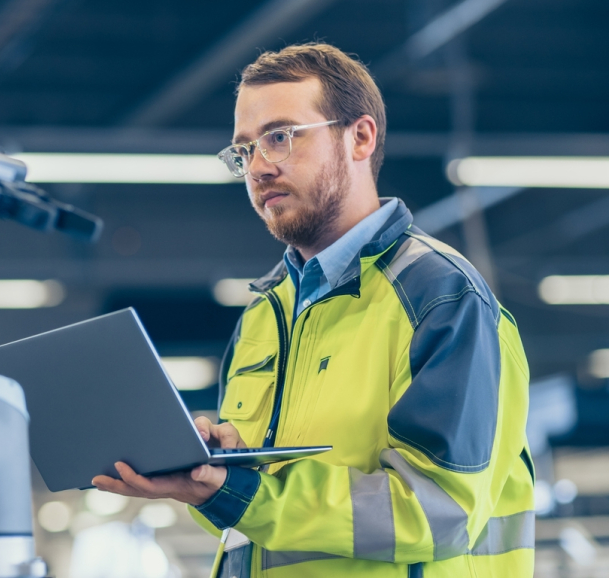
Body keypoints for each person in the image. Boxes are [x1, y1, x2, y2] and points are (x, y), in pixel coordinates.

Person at [92, 43, 534, 578]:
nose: (258, 168)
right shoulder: (264, 315)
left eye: (280, 137)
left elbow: (438, 512)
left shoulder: (440, 297)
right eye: (244, 151)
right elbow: (252, 525)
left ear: (360, 137)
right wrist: (210, 478)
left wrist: (243, 492)